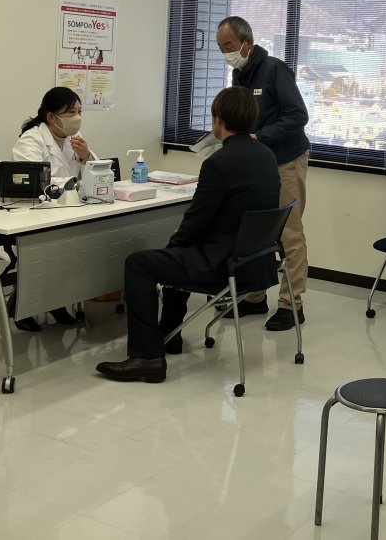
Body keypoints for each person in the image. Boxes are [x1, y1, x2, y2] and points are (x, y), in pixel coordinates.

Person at [96, 87, 280, 383]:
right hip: (254, 262)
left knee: (140, 263)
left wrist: (172, 248)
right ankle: (170, 336)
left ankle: (146, 358)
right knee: (177, 254)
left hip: (221, 265)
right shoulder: (266, 155)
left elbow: (196, 221)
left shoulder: (219, 163)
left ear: (218, 120)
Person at [216, 16, 311, 332]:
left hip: (285, 160)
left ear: (248, 42)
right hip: (255, 163)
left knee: (288, 233)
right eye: (221, 48)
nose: (226, 53)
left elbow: (298, 115)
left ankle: (291, 305)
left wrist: (262, 137)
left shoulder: (274, 69)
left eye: (229, 46)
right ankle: (255, 297)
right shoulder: (240, 74)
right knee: (254, 231)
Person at [9, 86, 96, 331]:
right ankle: (22, 307)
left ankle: (54, 301)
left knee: (72, 248)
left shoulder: (73, 139)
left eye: (79, 111)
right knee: (48, 248)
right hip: (34, 212)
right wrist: (74, 182)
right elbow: (36, 181)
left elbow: (98, 173)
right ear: (51, 117)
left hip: (67, 210)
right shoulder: (31, 140)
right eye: (71, 112)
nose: (77, 117)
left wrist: (86, 156)